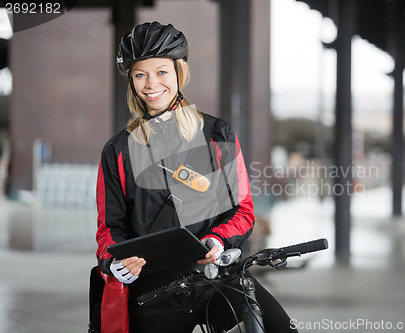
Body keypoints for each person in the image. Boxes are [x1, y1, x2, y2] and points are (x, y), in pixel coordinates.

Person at [95, 21, 297, 333]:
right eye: (140, 74)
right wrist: (116, 263)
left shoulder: (217, 135)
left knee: (280, 328)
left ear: (180, 72)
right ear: (131, 80)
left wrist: (217, 240)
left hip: (215, 277)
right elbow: (110, 227)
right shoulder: (118, 150)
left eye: (161, 71)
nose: (151, 84)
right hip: (153, 289)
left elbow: (242, 211)